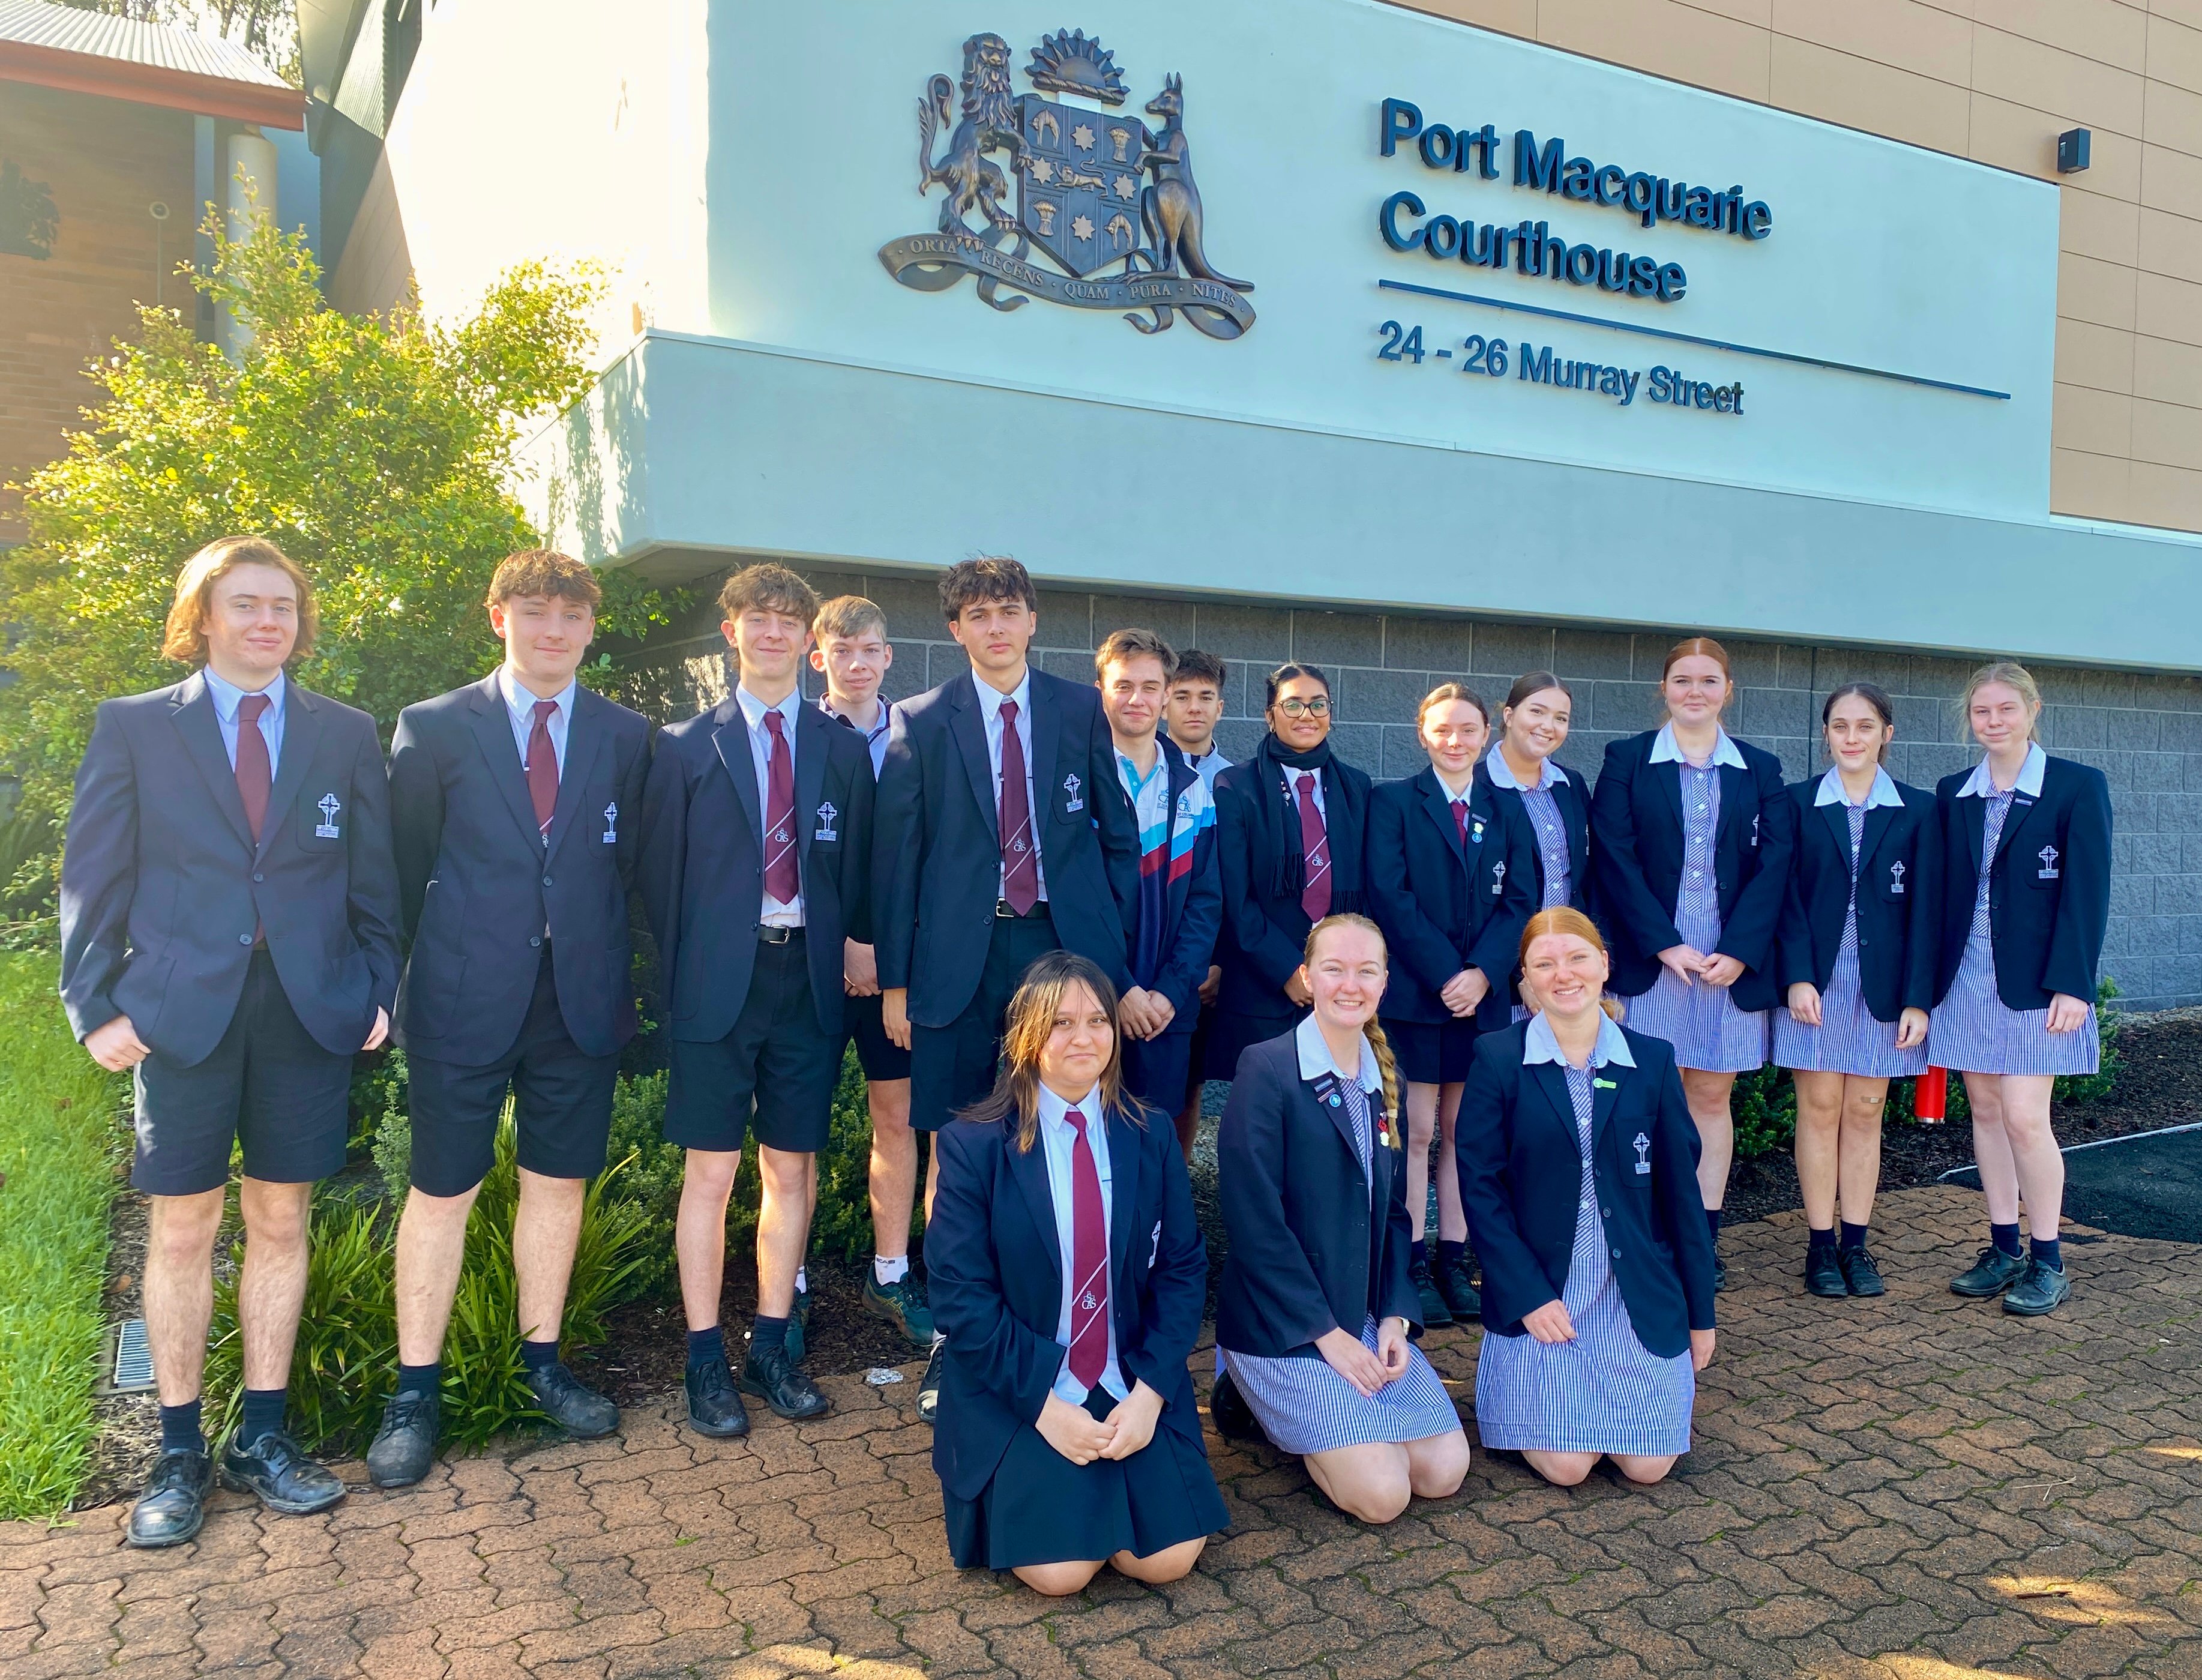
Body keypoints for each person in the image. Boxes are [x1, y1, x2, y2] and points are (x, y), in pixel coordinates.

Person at [59, 536, 399, 1547]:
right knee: (181, 1229)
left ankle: (262, 1436)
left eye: (283, 605)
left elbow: (373, 874)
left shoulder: (343, 732)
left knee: (281, 1217)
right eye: (246, 603)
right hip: (180, 1013)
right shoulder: (134, 726)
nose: (267, 621)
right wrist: (94, 1004)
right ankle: (177, 1451)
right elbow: (92, 873)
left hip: (304, 1009)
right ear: (202, 615)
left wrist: (376, 986)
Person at [368, 550, 653, 1487]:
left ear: (591, 628)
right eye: (535, 612)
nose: (553, 630)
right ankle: (415, 1391)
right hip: (461, 997)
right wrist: (387, 983)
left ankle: (543, 1365)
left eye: (571, 615)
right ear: (499, 618)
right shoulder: (435, 726)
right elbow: (401, 870)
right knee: (441, 1191)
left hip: (578, 999)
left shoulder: (625, 734)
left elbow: (627, 866)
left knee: (558, 1186)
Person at [873, 556, 1140, 1421]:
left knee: (1067, 1132)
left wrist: (1113, 952)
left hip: (1060, 947)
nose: (996, 626)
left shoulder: (1078, 708)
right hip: (961, 957)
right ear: (956, 628)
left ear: (1032, 620)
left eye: (1009, 610)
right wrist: (895, 982)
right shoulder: (921, 719)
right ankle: (958, 1337)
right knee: (956, 1145)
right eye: (978, 614)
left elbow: (1115, 835)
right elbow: (898, 860)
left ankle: (1071, 1324)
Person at [639, 564, 874, 1436]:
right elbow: (657, 882)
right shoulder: (683, 746)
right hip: (716, 987)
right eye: (757, 618)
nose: (773, 633)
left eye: (788, 620)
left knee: (791, 1168)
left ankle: (772, 1345)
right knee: (710, 1173)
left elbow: (859, 869)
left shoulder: (841, 748)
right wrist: (678, 984)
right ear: (730, 631)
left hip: (805, 982)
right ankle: (705, 1358)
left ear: (807, 640)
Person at [926, 951, 1227, 1594]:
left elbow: (1182, 1270)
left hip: (1128, 1375)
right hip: (1022, 1384)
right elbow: (960, 1300)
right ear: (1025, 1035)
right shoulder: (973, 1146)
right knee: (1061, 1573)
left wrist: (1150, 1394)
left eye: (1097, 1020)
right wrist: (1047, 1409)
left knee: (1167, 1560)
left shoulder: (1148, 1133)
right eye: (1061, 1023)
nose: (1083, 1037)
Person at [1214, 914, 1470, 1524]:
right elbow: (1254, 1223)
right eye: (1333, 969)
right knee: (1383, 1496)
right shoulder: (1267, 1068)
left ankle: (1345, 1425)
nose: (1349, 985)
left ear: (1384, 982)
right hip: (1285, 1323)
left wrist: (1395, 1317)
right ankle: (1246, 1390)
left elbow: (1395, 1217)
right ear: (1307, 977)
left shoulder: (1387, 1078)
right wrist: (1326, 1336)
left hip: (1362, 1316)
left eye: (1365, 971)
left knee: (1443, 1471)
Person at [1457, 909, 1718, 1488]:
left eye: (1576, 957)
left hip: (1632, 1298)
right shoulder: (1498, 1058)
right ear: (1526, 978)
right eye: (1544, 964)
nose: (1563, 974)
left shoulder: (1651, 1060)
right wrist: (1526, 1295)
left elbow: (1681, 1197)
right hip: (1546, 1297)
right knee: (1567, 1467)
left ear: (1603, 964)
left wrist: (1701, 1315)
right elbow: (1481, 1189)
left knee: (1648, 1468)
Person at [1589, 637, 1795, 1289]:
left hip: (1727, 957)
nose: (1695, 691)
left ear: (1728, 690)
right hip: (1653, 954)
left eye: (1709, 680)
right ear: (1664, 688)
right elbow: (1613, 856)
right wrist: (1662, 942)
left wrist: (1740, 950)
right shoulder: (1626, 760)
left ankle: (1702, 1239)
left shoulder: (1760, 768)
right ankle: (1648, 1235)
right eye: (1683, 679)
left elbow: (1776, 864)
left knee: (1710, 1095)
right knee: (1647, 1098)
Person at [1930, 662, 2111, 1317]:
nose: (1994, 721)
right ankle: (2003, 1247)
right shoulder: (1954, 792)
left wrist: (2073, 984)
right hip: (1967, 977)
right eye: (1982, 711)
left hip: (2038, 983)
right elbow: (1940, 894)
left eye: (2006, 708)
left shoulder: (2076, 786)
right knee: (1985, 1111)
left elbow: (2087, 892)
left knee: (2025, 1118)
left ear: (2033, 711)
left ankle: (2048, 1259)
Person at [1367, 682, 1535, 1328]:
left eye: (1468, 729)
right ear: (1422, 734)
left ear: (1487, 734)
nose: (1455, 740)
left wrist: (1484, 974)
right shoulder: (1393, 802)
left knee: (1466, 1133)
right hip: (1417, 995)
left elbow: (1521, 900)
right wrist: (1448, 974)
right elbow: (1390, 895)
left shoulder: (1507, 808)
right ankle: (1409, 1262)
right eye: (1442, 729)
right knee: (1414, 1131)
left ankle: (1453, 1259)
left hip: (1480, 1000)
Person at [1772, 683, 1939, 1301]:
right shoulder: (1796, 804)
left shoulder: (1919, 810)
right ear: (1826, 732)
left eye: (1865, 726)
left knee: (1866, 1112)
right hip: (1815, 984)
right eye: (1840, 725)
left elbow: (1928, 910)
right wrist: (1796, 975)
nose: (1851, 737)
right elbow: (1782, 898)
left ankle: (1856, 1244)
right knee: (1819, 1109)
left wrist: (1917, 998)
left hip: (1882, 988)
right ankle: (1819, 1245)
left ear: (1886, 734)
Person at [810, 595, 931, 1351]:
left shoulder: (916, 736)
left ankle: (891, 1272)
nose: (857, 664)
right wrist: (847, 945)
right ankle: (787, 1285)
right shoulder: (798, 734)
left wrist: (890, 959)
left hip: (898, 968)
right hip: (815, 966)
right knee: (796, 1129)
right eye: (842, 650)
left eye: (870, 650)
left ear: (889, 656)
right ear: (818, 657)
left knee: (897, 1116)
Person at [1209, 663, 1373, 1077]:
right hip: (1263, 986)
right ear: (1270, 715)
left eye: (1318, 704)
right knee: (1263, 1104)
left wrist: (1335, 971)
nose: (1307, 715)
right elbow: (1236, 898)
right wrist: (1287, 969)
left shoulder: (1357, 788)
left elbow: (1368, 890)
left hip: (1339, 986)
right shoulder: (1235, 786)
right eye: (1293, 704)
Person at [1096, 629, 1223, 1130]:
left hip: (1167, 1006)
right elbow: (1076, 900)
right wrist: (1120, 988)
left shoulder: (1194, 789)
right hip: (1092, 997)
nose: (1137, 698)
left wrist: (1170, 990)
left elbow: (1205, 903)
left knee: (1155, 1140)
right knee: (1089, 1137)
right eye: (1123, 685)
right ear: (1101, 690)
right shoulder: (1077, 779)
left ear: (1166, 694)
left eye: (1150, 687)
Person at [1475, 673, 1593, 1007]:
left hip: (1567, 972)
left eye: (1561, 718)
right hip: (1501, 976)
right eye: (1537, 711)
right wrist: (1519, 976)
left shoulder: (1571, 785)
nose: (1547, 726)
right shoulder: (1475, 786)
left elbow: (1585, 879)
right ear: (1509, 715)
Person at [1164, 647, 1232, 1158]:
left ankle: (1178, 1181)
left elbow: (1235, 886)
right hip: (1143, 959)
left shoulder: (1236, 782)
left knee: (1188, 1081)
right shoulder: (1135, 768)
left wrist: (1219, 962)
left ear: (1220, 706)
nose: (1194, 707)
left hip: (1206, 968)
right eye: (1182, 695)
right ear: (1164, 701)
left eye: (1205, 697)